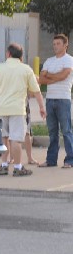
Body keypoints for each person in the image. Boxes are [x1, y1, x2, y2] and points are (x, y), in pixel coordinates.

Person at [0, 43, 46, 176]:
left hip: (1, 109)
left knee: (4, 138)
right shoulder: (26, 69)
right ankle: (17, 167)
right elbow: (36, 91)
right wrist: (41, 107)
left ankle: (4, 165)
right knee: (16, 139)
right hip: (18, 109)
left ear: (8, 54)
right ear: (21, 56)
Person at [37, 34, 73, 168]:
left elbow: (64, 75)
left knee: (66, 131)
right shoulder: (49, 61)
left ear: (65, 45)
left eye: (58, 44)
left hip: (63, 99)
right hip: (50, 99)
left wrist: (50, 76)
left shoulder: (69, 60)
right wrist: (56, 77)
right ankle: (51, 160)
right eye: (54, 44)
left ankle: (70, 160)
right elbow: (41, 79)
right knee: (52, 131)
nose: (55, 46)